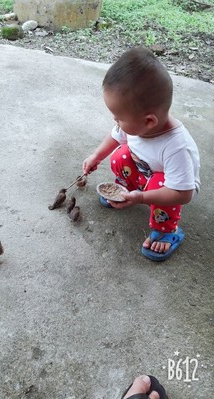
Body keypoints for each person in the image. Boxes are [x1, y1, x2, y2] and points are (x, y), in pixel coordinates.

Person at [83, 47, 200, 261]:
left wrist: (142, 198)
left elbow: (183, 194)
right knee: (121, 155)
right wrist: (96, 156)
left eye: (119, 118)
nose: (115, 121)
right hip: (145, 170)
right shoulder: (137, 124)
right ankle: (126, 188)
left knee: (159, 187)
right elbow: (115, 137)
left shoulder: (177, 147)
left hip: (172, 186)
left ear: (149, 121)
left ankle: (168, 231)